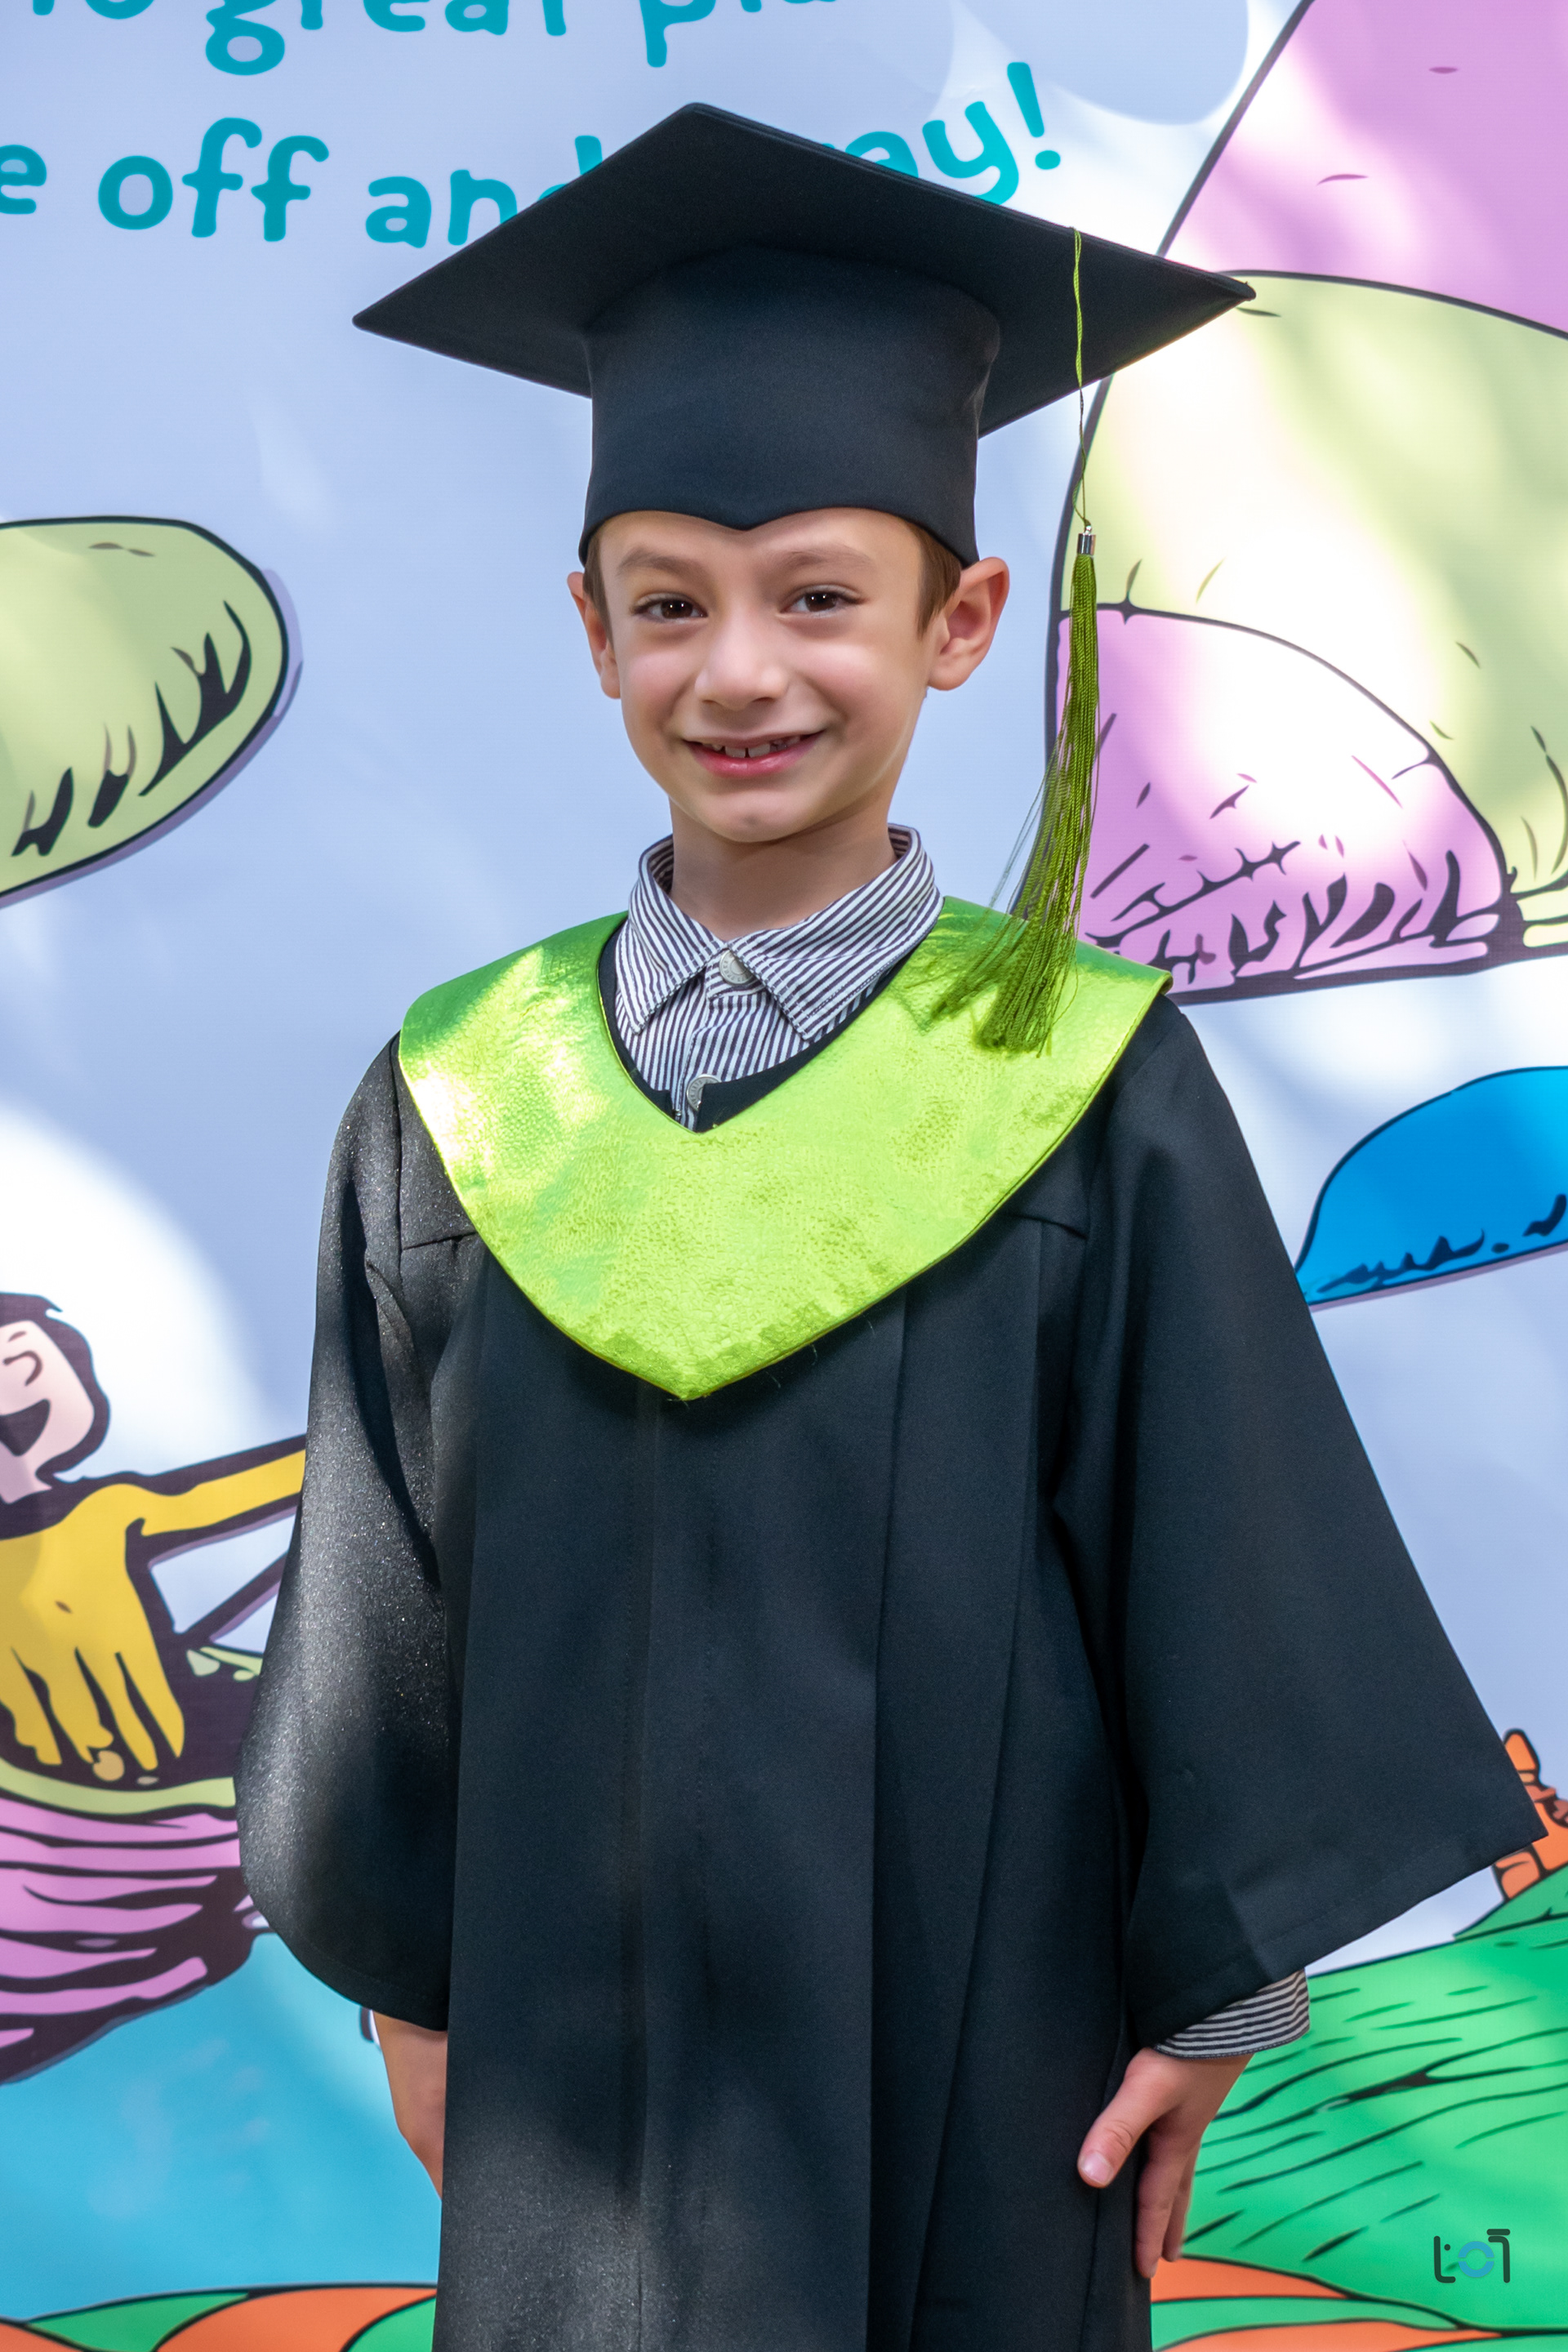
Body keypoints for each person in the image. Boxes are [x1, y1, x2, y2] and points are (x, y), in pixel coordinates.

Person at [237, 106, 1536, 2352]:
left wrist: (1213, 2003)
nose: (740, 671)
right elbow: (387, 1597)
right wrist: (408, 1983)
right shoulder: (461, 1098)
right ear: (594, 634)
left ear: (960, 623)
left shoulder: (1081, 1076)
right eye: (670, 603)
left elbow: (1221, 1545)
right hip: (566, 2068)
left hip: (989, 2043)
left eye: (820, 595)